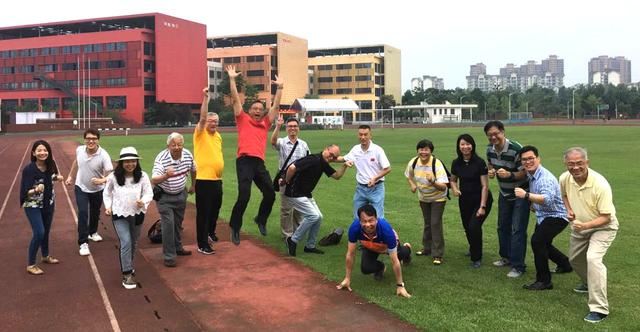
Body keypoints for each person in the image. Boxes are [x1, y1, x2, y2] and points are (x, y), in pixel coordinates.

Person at [226, 64, 284, 245]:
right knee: (244, 195)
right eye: (255, 108)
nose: (258, 110)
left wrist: (280, 87)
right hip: (244, 162)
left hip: (258, 163)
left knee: (270, 194)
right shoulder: (242, 119)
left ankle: (261, 218)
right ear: (250, 111)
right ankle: (235, 227)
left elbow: (275, 106)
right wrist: (232, 79)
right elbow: (236, 100)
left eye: (260, 109)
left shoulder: (266, 123)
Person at [559, 147, 618, 323]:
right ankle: (588, 283)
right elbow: (564, 195)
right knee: (575, 260)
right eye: (571, 164)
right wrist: (569, 210)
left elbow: (606, 217)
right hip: (580, 227)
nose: (575, 167)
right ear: (566, 164)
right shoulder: (564, 178)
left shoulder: (600, 184)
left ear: (587, 163)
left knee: (593, 259)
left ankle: (599, 309)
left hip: (604, 227)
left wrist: (584, 225)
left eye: (579, 163)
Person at [514, 146, 572, 291]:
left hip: (557, 215)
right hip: (544, 215)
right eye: (524, 160)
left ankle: (544, 281)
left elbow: (547, 199)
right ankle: (565, 264)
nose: (528, 162)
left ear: (538, 159)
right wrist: (533, 203)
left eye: (531, 158)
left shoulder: (544, 178)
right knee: (543, 243)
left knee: (537, 241)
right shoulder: (531, 174)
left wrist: (527, 196)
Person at [283, 144, 349, 256]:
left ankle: (310, 246)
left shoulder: (323, 163)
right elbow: (292, 168)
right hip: (295, 193)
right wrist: (287, 181)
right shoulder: (313, 159)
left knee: (319, 218)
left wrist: (345, 165)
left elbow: (337, 176)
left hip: (305, 194)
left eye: (334, 157)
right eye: (331, 154)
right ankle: (292, 240)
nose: (331, 158)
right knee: (313, 216)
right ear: (326, 149)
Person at [484, 120, 530, 278]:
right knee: (502, 227)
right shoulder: (489, 149)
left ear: (503, 132)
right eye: (490, 135)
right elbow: (490, 164)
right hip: (504, 193)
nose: (493, 137)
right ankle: (506, 257)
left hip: (520, 194)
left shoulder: (516, 149)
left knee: (517, 230)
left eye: (496, 133)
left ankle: (519, 266)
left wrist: (510, 175)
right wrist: (491, 171)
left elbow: (525, 172)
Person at [337, 204, 412, 298]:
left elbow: (394, 261)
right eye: (364, 221)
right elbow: (350, 254)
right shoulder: (354, 228)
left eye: (371, 220)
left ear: (376, 219)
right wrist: (347, 278)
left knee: (401, 254)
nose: (368, 225)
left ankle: (407, 248)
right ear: (359, 221)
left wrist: (400, 286)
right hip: (370, 245)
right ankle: (381, 267)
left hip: (386, 245)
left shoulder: (386, 230)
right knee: (366, 268)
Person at [103, 147, 153, 289]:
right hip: (119, 214)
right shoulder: (114, 177)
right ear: (121, 163)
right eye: (126, 161)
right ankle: (127, 274)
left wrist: (143, 201)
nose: (130, 164)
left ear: (137, 161)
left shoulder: (143, 176)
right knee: (125, 241)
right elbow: (107, 193)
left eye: (133, 161)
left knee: (134, 241)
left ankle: (129, 265)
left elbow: (149, 193)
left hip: (138, 214)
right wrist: (108, 206)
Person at [65, 128, 113, 256]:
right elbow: (76, 162)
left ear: (98, 140)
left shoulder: (104, 155)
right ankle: (83, 242)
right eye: (88, 138)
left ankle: (93, 232)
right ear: (84, 139)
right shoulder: (80, 150)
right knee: (83, 212)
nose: (91, 141)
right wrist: (70, 176)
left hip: (97, 189)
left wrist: (102, 180)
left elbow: (111, 174)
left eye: (94, 139)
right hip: (81, 187)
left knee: (95, 212)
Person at [151, 133, 196, 267]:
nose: (177, 147)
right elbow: (154, 179)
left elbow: (194, 169)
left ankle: (178, 247)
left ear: (183, 145)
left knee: (177, 224)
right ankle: (169, 257)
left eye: (179, 144)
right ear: (168, 146)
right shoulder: (161, 159)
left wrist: (193, 185)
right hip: (164, 197)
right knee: (168, 225)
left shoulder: (187, 155)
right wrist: (166, 175)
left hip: (181, 194)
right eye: (173, 145)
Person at [21, 140, 64, 275]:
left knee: (46, 231)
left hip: (48, 203)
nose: (42, 152)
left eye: (45, 150)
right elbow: (24, 192)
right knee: (39, 232)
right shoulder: (29, 170)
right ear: (34, 153)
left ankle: (45, 256)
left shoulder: (51, 164)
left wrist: (58, 177)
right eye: (39, 150)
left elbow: (51, 177)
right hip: (33, 205)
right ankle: (31, 264)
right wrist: (36, 190)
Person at [450, 134, 493, 268]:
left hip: (481, 199)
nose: (465, 147)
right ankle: (473, 248)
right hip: (465, 200)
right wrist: (455, 189)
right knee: (467, 227)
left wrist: (482, 206)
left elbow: (485, 186)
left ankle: (477, 258)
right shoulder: (456, 163)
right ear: (459, 146)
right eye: (462, 144)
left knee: (474, 226)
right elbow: (452, 180)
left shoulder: (479, 162)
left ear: (472, 145)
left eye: (468, 144)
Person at [404, 139, 449, 265]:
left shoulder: (436, 163)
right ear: (417, 150)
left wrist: (433, 181)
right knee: (428, 223)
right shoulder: (413, 162)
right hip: (423, 198)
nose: (423, 152)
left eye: (426, 150)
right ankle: (427, 248)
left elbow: (444, 186)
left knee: (435, 223)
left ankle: (438, 254)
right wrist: (412, 185)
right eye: (421, 149)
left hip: (438, 197)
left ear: (431, 151)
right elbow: (408, 175)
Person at [193, 87, 224, 255]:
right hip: (203, 180)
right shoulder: (200, 133)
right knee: (203, 213)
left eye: (216, 121)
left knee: (215, 209)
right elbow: (202, 117)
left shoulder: (218, 135)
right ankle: (202, 243)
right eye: (211, 121)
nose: (214, 123)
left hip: (216, 179)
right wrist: (205, 98)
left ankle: (210, 233)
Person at [337, 125, 391, 218]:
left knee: (378, 218)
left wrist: (375, 178)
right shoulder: (356, 149)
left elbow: (387, 168)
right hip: (360, 189)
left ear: (370, 135)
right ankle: (359, 233)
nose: (363, 137)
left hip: (376, 188)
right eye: (360, 134)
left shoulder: (377, 150)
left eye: (365, 135)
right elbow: (343, 158)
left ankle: (379, 233)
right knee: (358, 217)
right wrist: (327, 157)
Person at [271, 115, 309, 238]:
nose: (292, 128)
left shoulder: (303, 144)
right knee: (286, 210)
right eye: (290, 126)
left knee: (299, 209)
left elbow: (308, 161)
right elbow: (273, 142)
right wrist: (277, 126)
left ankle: (297, 233)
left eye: (295, 126)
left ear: (298, 128)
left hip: (300, 180)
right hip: (285, 179)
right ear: (286, 128)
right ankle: (287, 235)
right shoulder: (282, 142)